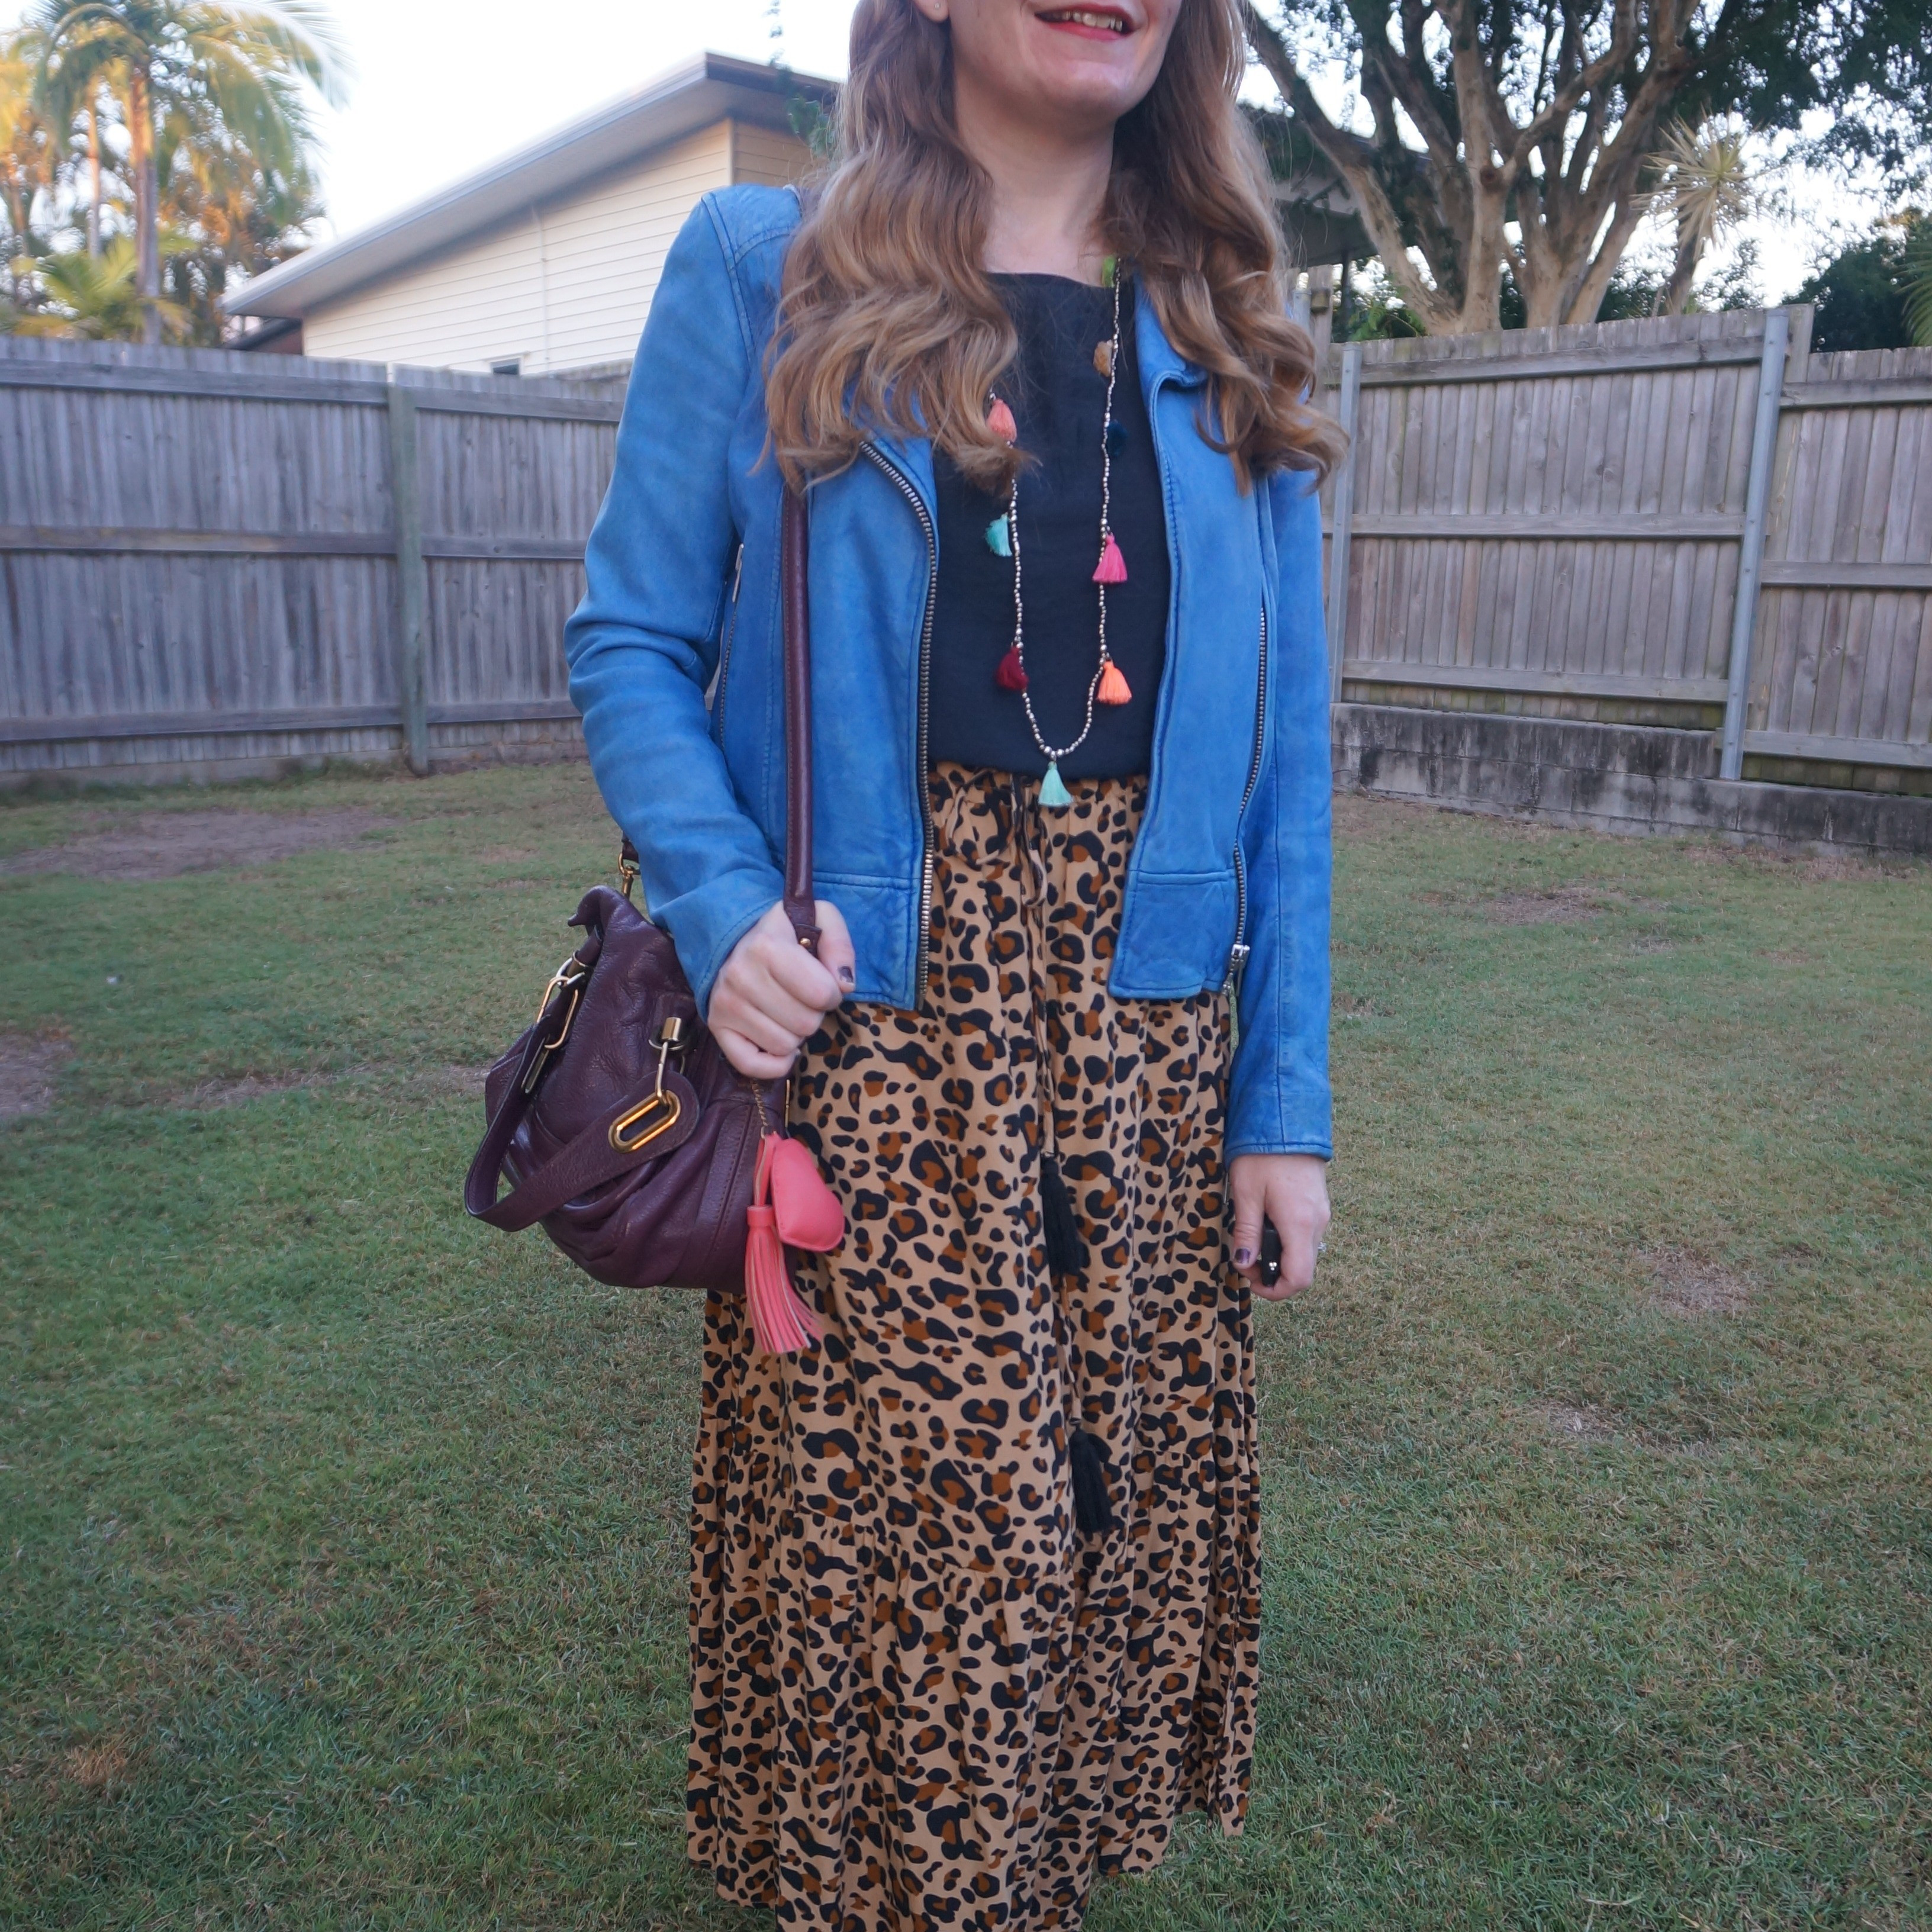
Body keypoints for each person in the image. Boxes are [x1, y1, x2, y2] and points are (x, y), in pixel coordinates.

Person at [564, 0, 1342, 1921]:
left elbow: (1286, 774)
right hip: (880, 1046)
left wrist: (1286, 1103)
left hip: (1154, 1058)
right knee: (922, 1573)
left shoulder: (1230, 335)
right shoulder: (771, 273)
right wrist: (726, 905)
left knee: (1093, 1560)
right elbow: (633, 640)